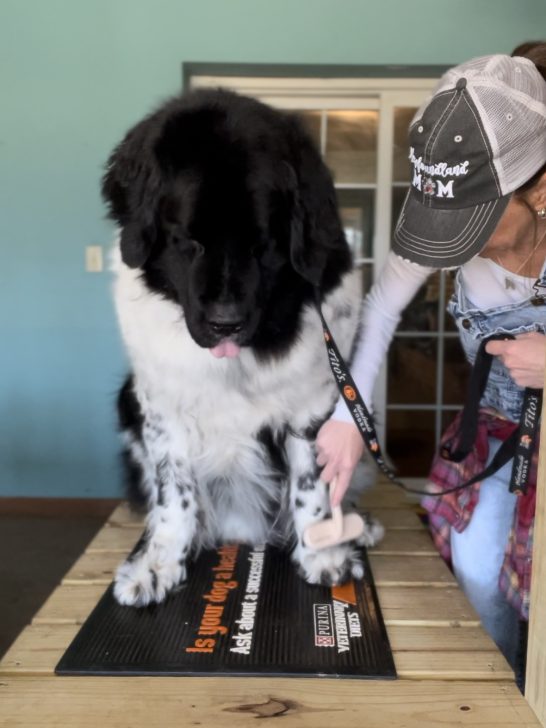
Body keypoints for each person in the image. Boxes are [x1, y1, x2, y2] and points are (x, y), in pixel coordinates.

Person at [315, 47, 546, 667]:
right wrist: (348, 422)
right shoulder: (447, 212)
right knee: (477, 567)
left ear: (541, 189)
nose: (448, 241)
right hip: (501, 431)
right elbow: (382, 310)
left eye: (470, 220)